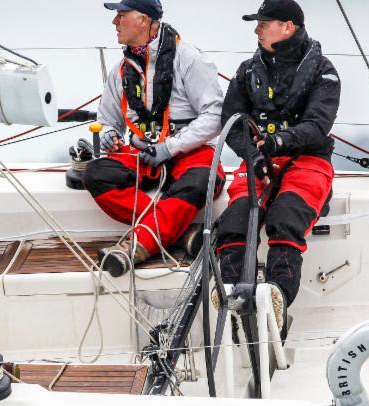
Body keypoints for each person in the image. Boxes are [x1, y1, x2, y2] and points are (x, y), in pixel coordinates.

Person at [215, 0, 341, 328]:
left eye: (263, 23)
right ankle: (230, 297)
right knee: (235, 220)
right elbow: (232, 121)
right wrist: (254, 154)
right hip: (259, 161)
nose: (256, 29)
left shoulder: (324, 72)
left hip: (308, 159)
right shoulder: (246, 72)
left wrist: (278, 142)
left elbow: (317, 125)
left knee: (285, 219)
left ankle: (276, 301)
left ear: (287, 27)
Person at [83, 0, 225, 277]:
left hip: (187, 151)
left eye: (121, 15)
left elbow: (215, 116)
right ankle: (180, 233)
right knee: (96, 174)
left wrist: (170, 147)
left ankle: (135, 246)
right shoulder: (121, 70)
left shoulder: (189, 59)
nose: (115, 22)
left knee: (201, 182)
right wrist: (111, 134)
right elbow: (107, 120)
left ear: (145, 20)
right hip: (143, 155)